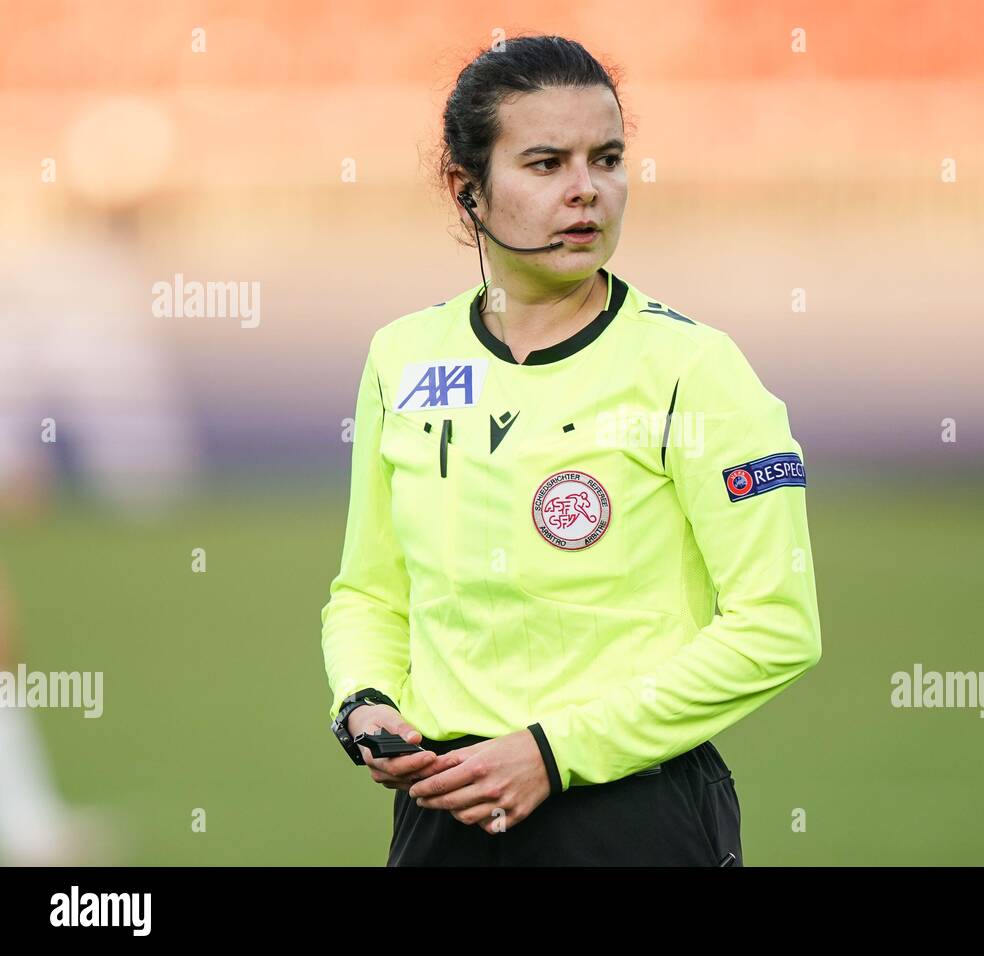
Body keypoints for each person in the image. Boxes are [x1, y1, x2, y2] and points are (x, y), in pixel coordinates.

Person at [320, 34, 822, 866]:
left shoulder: (694, 369)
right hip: (446, 807)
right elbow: (369, 592)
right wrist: (365, 703)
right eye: (547, 163)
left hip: (633, 814)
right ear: (467, 189)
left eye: (609, 158)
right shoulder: (401, 359)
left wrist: (555, 752)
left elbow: (777, 625)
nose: (587, 191)